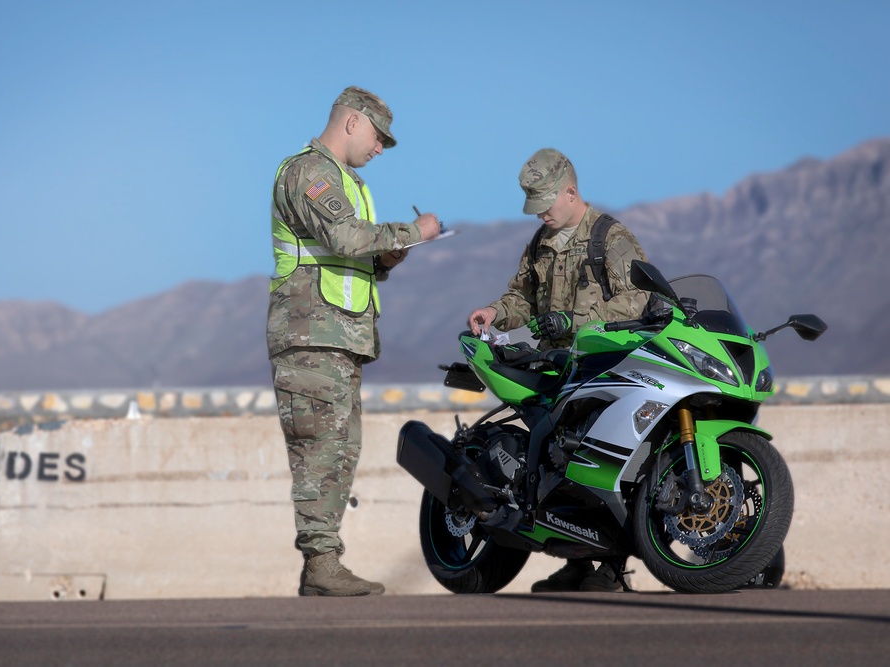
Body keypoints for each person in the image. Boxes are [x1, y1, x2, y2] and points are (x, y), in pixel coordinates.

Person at [267, 86, 441, 597]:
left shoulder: (343, 180)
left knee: (340, 448)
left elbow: (349, 254)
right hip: (310, 332)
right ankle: (321, 564)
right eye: (378, 137)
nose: (380, 148)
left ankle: (324, 564)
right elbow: (344, 238)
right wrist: (413, 232)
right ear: (351, 122)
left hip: (335, 335)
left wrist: (388, 256)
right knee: (320, 449)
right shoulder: (309, 173)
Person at [467, 148, 650, 593]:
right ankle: (574, 562)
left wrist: (576, 322)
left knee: (605, 464)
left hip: (603, 366)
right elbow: (522, 298)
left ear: (570, 192)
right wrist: (495, 312)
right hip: (555, 370)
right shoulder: (539, 244)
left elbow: (638, 300)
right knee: (555, 466)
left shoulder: (610, 236)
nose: (540, 215)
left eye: (546, 204)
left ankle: (611, 567)